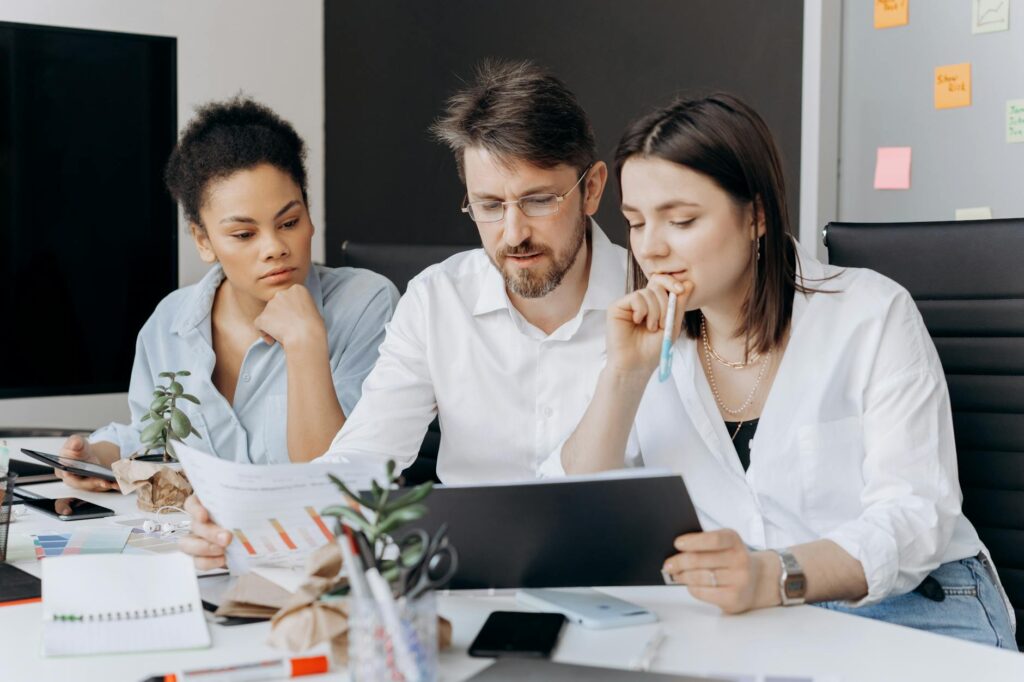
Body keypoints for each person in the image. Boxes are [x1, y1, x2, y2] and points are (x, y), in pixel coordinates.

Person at [545, 94, 1017, 649]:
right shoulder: (647, 340)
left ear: (757, 215)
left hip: (918, 602)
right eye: (636, 222)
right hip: (757, 620)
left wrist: (773, 575)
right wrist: (622, 378)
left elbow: (916, 520)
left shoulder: (870, 313)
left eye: (682, 220)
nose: (651, 248)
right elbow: (569, 514)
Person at [180, 59, 627, 568]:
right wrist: (245, 520)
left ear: (591, 189)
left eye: (539, 201)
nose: (512, 233)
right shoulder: (436, 299)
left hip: (622, 582)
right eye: (488, 205)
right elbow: (361, 461)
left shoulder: (661, 301)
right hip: (467, 580)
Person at [55, 97, 399, 492]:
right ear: (203, 240)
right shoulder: (171, 322)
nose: (274, 247)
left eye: (289, 221)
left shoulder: (366, 303)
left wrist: (305, 342)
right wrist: (98, 456)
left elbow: (333, 483)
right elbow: (155, 438)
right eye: (244, 234)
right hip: (201, 543)